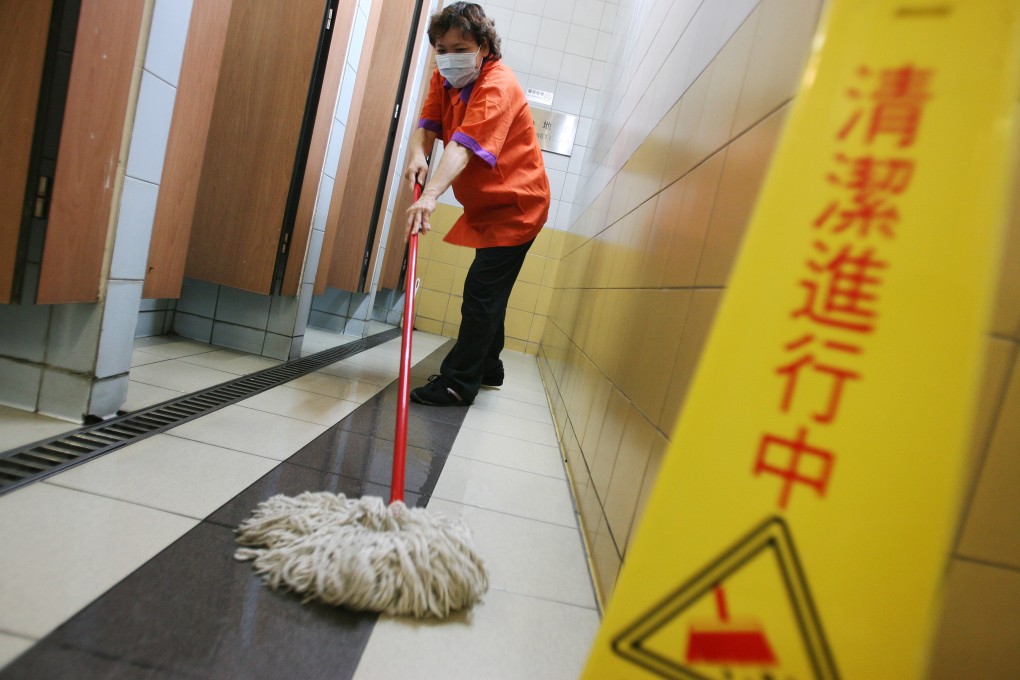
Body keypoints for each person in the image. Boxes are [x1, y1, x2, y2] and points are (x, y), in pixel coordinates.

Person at [404, 2, 550, 407]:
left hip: (517, 207)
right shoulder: (445, 78)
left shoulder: (497, 86)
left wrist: (430, 195)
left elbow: (462, 147)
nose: (449, 57)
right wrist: (416, 154)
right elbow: (427, 125)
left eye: (460, 48)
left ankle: (457, 383)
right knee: (491, 291)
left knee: (481, 293)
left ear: (484, 47)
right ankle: (488, 367)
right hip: (486, 207)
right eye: (442, 49)